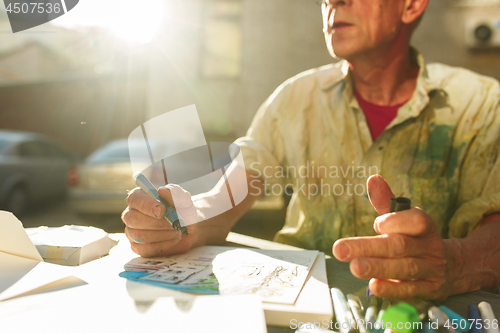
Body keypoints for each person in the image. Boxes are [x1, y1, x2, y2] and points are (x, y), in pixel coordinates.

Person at [122, 0, 500, 301]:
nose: (334, 1)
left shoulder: (482, 105)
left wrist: (454, 263)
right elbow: (229, 195)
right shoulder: (293, 98)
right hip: (298, 313)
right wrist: (187, 219)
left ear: (411, 5)